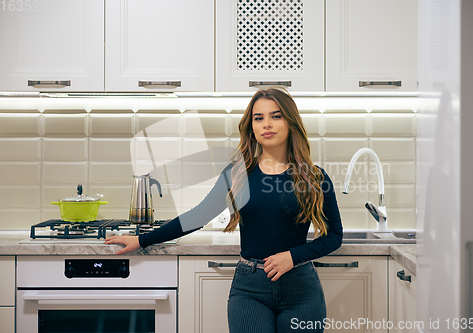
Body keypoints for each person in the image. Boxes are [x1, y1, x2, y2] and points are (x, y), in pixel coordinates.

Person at [104, 87, 343, 333]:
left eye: (276, 116)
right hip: (250, 291)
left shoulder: (314, 177)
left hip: (301, 290)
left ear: (290, 121)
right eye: (258, 118)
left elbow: (334, 236)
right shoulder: (237, 175)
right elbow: (198, 215)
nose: (266, 124)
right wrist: (142, 240)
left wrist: (293, 256)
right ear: (251, 127)